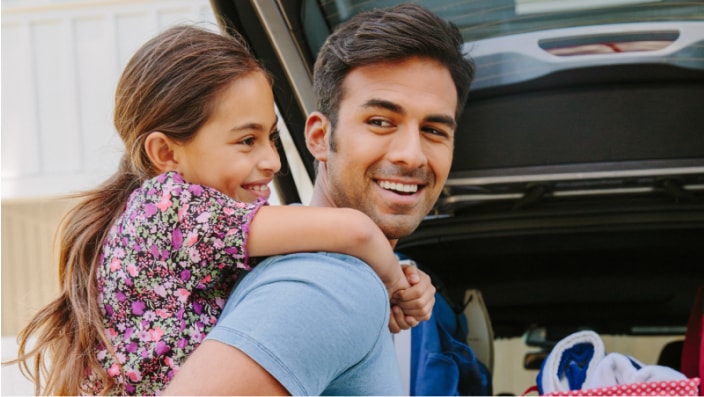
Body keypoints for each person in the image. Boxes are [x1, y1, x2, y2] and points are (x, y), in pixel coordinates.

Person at [7, 24, 434, 396]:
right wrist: (397, 287)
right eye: (246, 141)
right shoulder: (167, 209)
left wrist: (402, 278)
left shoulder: (196, 230)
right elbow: (354, 231)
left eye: (271, 137)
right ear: (165, 152)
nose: (272, 161)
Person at [164, 3, 475, 395]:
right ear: (318, 137)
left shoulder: (316, 260)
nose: (411, 154)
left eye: (433, 130)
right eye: (380, 121)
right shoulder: (329, 288)